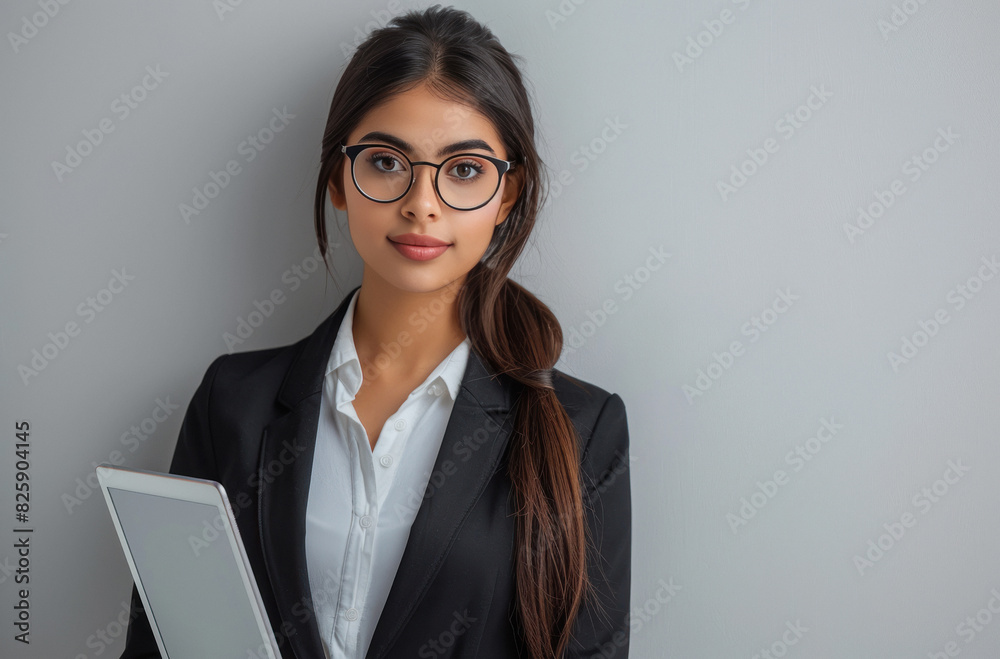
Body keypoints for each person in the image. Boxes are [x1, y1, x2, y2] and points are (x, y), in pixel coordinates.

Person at [119, 5, 631, 658]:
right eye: (388, 162)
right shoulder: (232, 403)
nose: (422, 201)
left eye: (465, 170)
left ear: (507, 195)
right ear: (339, 177)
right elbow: (160, 641)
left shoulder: (584, 428)